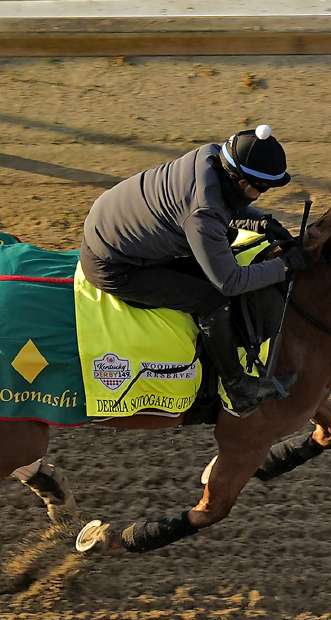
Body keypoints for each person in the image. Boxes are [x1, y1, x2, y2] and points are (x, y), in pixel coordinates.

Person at [80, 124, 309, 417]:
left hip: (115, 228)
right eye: (260, 189)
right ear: (239, 180)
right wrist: (285, 266)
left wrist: (261, 222)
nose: (260, 196)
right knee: (211, 299)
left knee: (224, 241)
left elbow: (225, 205)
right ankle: (238, 387)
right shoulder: (203, 213)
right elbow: (228, 282)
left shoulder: (211, 156)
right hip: (113, 266)